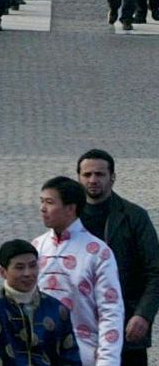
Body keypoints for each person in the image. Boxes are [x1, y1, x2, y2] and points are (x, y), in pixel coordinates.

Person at [0, 222, 81, 366]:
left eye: (32, 266)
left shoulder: (57, 309)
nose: (28, 273)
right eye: (19, 267)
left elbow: (70, 358)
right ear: (3, 272)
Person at [78, 150, 159, 366]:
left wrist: (143, 315)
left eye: (99, 174)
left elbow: (155, 271)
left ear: (112, 177)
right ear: (78, 178)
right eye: (87, 175)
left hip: (126, 325)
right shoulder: (69, 217)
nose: (93, 180)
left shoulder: (134, 217)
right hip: (80, 326)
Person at [35, 176, 126, 366]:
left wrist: (107, 361)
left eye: (49, 202)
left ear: (70, 208)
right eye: (42, 201)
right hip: (38, 353)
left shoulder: (98, 252)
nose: (42, 208)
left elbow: (110, 311)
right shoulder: (36, 247)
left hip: (82, 353)